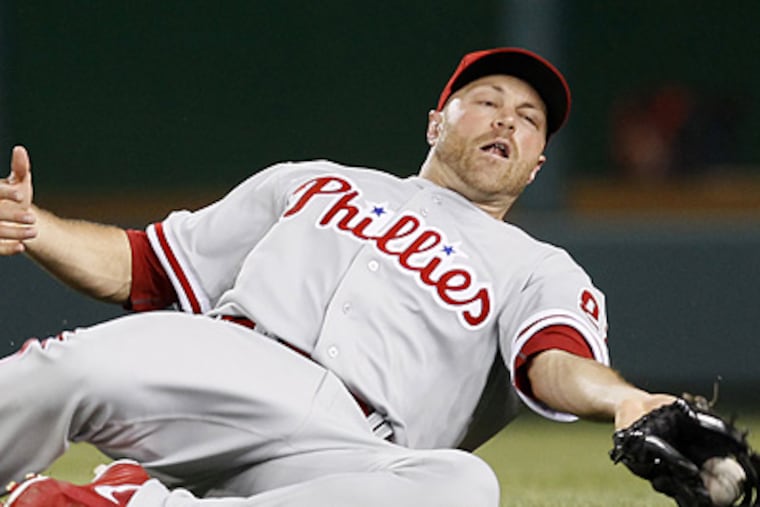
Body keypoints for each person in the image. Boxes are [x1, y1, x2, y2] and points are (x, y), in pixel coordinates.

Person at [0, 47, 674, 507]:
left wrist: (624, 401)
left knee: (463, 487)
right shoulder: (318, 182)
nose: (507, 119)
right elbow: (145, 266)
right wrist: (31, 225)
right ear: (437, 122)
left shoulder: (537, 266)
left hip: (353, 445)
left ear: (533, 166)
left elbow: (552, 359)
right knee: (69, 369)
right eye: (487, 100)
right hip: (231, 360)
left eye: (530, 121)